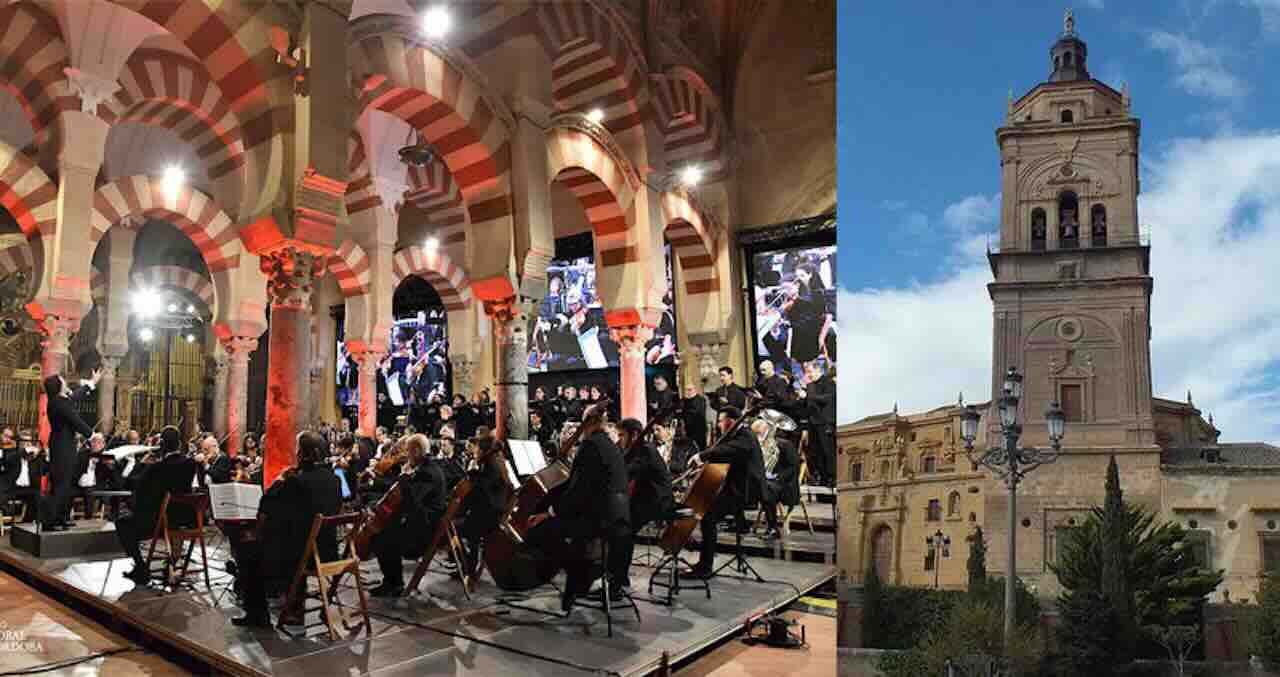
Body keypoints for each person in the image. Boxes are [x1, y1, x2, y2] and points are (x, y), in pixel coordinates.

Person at [230, 431, 343, 627]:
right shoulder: (335, 480)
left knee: (247, 550)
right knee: (292, 536)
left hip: (300, 556)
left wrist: (279, 480)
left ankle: (258, 614)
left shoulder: (295, 481)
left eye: (298, 449)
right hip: (327, 551)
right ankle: (293, 606)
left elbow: (267, 506)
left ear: (303, 454)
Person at [525, 404, 629, 611]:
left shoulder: (590, 446)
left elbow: (578, 492)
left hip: (598, 520)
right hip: (618, 518)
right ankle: (581, 574)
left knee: (538, 532)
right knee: (561, 532)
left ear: (588, 422)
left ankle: (579, 575)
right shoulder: (610, 445)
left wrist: (549, 513)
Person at [686, 407, 765, 579]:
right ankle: (705, 560)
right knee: (708, 515)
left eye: (721, 421)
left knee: (708, 516)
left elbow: (731, 450)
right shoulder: (737, 435)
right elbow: (725, 453)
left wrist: (702, 456)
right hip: (735, 487)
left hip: (745, 490)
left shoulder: (745, 435)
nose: (719, 425)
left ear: (730, 421)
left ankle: (705, 567)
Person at [113, 426, 198, 585]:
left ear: (162, 445)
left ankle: (140, 568)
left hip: (159, 522)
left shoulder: (156, 468)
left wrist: (142, 464)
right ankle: (171, 562)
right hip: (185, 520)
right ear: (179, 444)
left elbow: (134, 486)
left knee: (122, 523)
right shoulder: (190, 464)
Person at [369, 434, 448, 597]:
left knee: (380, 537)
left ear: (417, 451)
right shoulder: (429, 468)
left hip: (423, 535)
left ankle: (393, 583)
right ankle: (393, 581)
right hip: (422, 526)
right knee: (386, 531)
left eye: (408, 451)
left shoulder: (427, 473)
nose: (406, 456)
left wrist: (404, 478)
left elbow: (412, 504)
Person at [616, 418, 672, 592]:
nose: (619, 440)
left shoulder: (646, 450)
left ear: (634, 435)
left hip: (656, 501)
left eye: (621, 435)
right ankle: (618, 578)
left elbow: (628, 470)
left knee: (623, 530)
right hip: (644, 498)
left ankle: (617, 581)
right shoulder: (637, 449)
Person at [43, 370, 100, 530]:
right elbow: (75, 420)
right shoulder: (59, 403)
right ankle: (50, 521)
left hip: (63, 446)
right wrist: (92, 435)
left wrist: (91, 383)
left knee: (66, 483)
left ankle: (61, 517)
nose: (66, 382)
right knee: (61, 484)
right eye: (63, 381)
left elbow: (74, 397)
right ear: (59, 386)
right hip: (62, 448)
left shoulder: (59, 401)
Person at [453, 437, 510, 574]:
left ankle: (467, 565)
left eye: (476, 448)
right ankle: (468, 565)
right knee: (463, 522)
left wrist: (472, 473)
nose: (474, 451)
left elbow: (480, 491)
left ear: (483, 450)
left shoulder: (490, 465)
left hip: (489, 518)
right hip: (492, 514)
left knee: (453, 527)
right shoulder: (495, 462)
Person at [755, 419, 800, 540]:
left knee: (767, 489)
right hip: (768, 483)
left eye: (759, 434)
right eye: (756, 435)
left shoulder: (785, 445)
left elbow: (793, 468)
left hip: (786, 485)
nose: (758, 438)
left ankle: (773, 528)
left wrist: (776, 476)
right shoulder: (759, 447)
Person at [801, 360, 836, 486]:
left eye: (810, 372)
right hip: (812, 423)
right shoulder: (810, 386)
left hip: (825, 423)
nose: (808, 375)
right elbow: (807, 405)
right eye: (807, 372)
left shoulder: (829, 382)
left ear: (818, 370)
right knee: (816, 452)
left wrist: (809, 396)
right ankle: (823, 476)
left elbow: (827, 399)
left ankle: (832, 477)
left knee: (828, 451)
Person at [681, 384, 709, 450]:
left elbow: (697, 412)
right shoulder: (684, 400)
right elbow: (681, 413)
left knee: (700, 448)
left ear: (695, 390)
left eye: (690, 390)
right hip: (688, 429)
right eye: (686, 390)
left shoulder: (701, 399)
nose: (688, 392)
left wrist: (685, 411)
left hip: (699, 430)